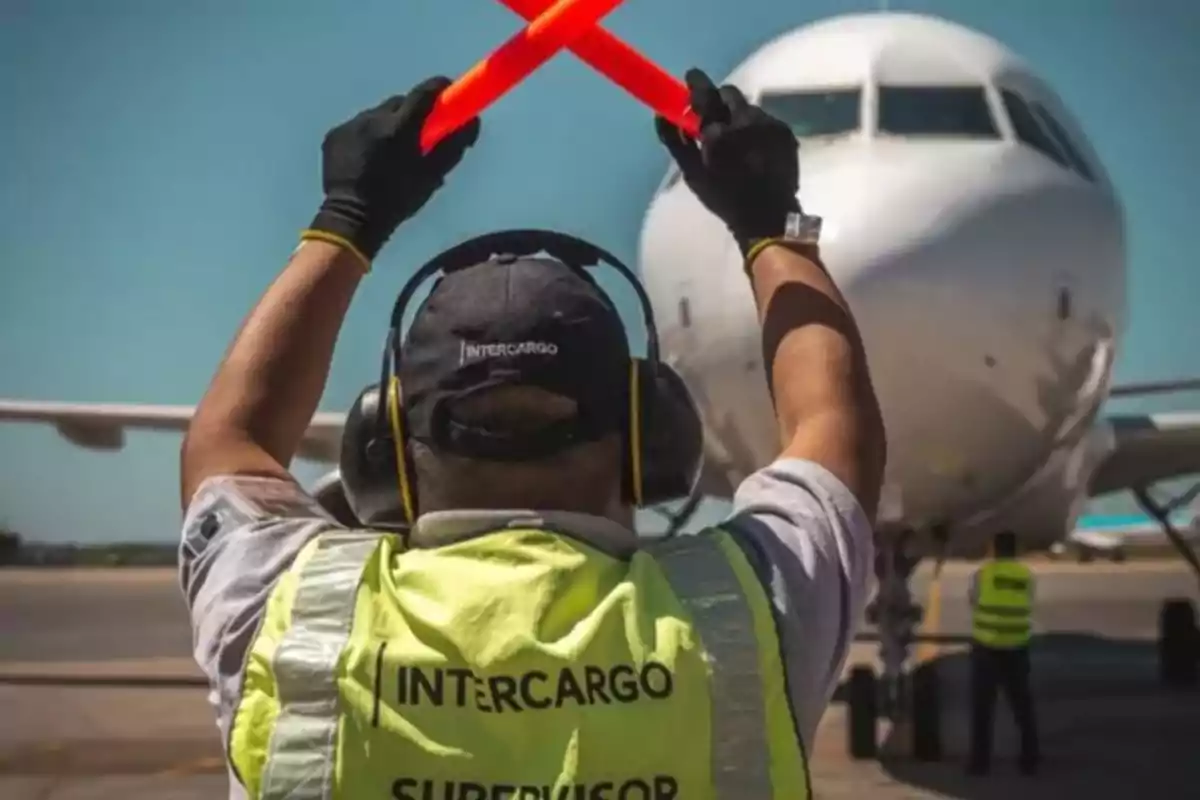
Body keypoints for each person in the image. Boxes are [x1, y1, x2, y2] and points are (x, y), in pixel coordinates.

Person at [178, 69, 886, 800]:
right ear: (649, 431)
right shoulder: (748, 615)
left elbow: (228, 442)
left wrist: (348, 217)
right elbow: (834, 423)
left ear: (385, 442)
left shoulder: (292, 612)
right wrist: (773, 225)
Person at [967, 530, 1041, 776]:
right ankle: (1030, 759)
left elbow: (974, 600)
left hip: (987, 647)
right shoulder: (1026, 575)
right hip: (1017, 647)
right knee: (1022, 706)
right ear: (1016, 550)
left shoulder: (983, 574)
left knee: (983, 709)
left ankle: (980, 763)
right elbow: (1029, 600)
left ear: (994, 549)